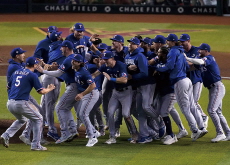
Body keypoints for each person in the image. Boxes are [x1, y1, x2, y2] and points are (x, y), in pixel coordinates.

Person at [153, 34, 207, 141]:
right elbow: (187, 67)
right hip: (187, 80)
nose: (167, 42)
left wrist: (158, 67)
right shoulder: (181, 51)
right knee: (192, 106)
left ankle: (195, 130)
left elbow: (169, 66)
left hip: (179, 81)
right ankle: (201, 127)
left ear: (172, 41)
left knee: (185, 108)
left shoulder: (173, 51)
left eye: (168, 41)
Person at [0, 57, 55, 151]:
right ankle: (36, 145)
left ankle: (6, 135)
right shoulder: (32, 75)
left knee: (22, 120)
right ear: (34, 65)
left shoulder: (16, 72)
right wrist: (50, 89)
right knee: (39, 118)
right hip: (21, 103)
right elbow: (41, 91)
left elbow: (8, 86)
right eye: (36, 64)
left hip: (10, 103)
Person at [36, 40, 79, 144]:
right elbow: (61, 70)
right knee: (67, 108)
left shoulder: (69, 59)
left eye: (62, 47)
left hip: (73, 87)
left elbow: (59, 73)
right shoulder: (75, 58)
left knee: (59, 108)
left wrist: (43, 71)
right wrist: (49, 66)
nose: (61, 49)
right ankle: (73, 130)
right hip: (78, 86)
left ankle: (66, 134)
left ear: (67, 48)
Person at [185, 43, 230, 142]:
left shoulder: (209, 58)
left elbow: (200, 61)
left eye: (200, 50)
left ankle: (220, 133)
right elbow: (191, 67)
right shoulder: (201, 62)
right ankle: (228, 133)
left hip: (217, 87)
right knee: (218, 112)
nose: (198, 51)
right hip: (213, 88)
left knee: (211, 110)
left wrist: (187, 58)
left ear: (206, 51)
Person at [92, 51, 138, 144]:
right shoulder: (105, 66)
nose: (105, 61)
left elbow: (124, 80)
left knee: (126, 114)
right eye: (104, 60)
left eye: (106, 59)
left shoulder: (121, 66)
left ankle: (135, 134)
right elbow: (95, 74)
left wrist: (111, 79)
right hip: (115, 92)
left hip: (126, 92)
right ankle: (112, 137)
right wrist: (88, 78)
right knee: (110, 113)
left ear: (112, 59)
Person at [179, 33, 209, 129]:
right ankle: (199, 120)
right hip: (187, 81)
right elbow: (189, 64)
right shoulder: (181, 51)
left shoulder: (196, 50)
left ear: (188, 41)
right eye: (181, 42)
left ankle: (203, 117)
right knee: (189, 103)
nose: (182, 43)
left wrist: (185, 64)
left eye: (183, 41)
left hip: (196, 79)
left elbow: (196, 65)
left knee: (194, 102)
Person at [41, 31, 66, 141]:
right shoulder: (60, 46)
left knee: (48, 105)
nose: (62, 36)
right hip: (50, 78)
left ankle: (40, 124)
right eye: (59, 36)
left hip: (51, 76)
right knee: (49, 106)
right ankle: (51, 130)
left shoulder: (53, 47)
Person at [71, 54, 100, 147]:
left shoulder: (83, 72)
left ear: (79, 63)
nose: (72, 62)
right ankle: (95, 132)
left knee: (83, 114)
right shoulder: (77, 70)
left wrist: (82, 94)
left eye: (74, 61)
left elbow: (93, 85)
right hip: (87, 94)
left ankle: (92, 138)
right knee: (80, 114)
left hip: (91, 93)